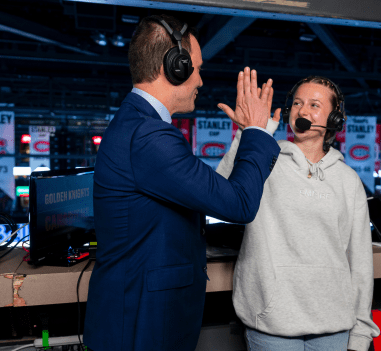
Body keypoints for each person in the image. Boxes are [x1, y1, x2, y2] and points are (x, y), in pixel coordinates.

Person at [83, 14, 280, 351]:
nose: (201, 80)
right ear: (174, 65)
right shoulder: (149, 136)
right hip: (141, 324)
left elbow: (209, 190)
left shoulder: (139, 126)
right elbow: (239, 203)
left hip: (140, 316)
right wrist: (256, 132)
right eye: (197, 68)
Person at [217, 76, 380, 351]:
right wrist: (250, 133)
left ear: (335, 119)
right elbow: (223, 196)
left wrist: (361, 334)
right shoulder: (264, 160)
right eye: (297, 103)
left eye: (314, 105)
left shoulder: (348, 180)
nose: (303, 111)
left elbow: (360, 262)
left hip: (333, 325)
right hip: (271, 323)